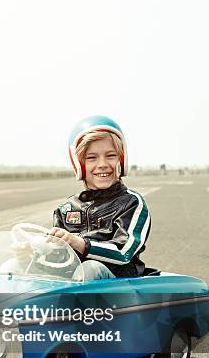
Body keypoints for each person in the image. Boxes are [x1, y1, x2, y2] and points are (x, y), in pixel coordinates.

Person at [49, 116, 151, 280]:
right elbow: (58, 258)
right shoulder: (66, 208)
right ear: (79, 165)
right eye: (91, 158)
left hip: (119, 287)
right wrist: (30, 254)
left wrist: (80, 243)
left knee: (90, 268)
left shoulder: (131, 203)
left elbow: (123, 252)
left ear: (121, 160)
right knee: (12, 266)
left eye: (110, 155)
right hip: (73, 283)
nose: (102, 164)